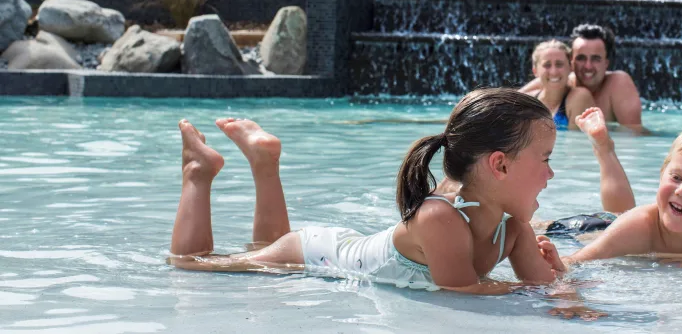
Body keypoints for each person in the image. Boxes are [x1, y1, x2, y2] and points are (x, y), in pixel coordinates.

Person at [168, 88, 568, 296]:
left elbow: (543, 290)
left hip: (340, 247)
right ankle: (198, 173)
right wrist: (538, 290)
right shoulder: (440, 218)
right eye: (545, 159)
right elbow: (464, 292)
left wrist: (560, 277)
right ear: (499, 165)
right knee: (194, 266)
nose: (551, 173)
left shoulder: (512, 226)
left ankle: (264, 162)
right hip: (317, 253)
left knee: (264, 247)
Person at [536, 107, 682, 270]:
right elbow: (575, 262)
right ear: (662, 173)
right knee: (538, 226)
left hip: (622, 222)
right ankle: (604, 148)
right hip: (588, 229)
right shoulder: (635, 228)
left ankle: (605, 148)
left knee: (622, 212)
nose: (681, 191)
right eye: (676, 177)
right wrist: (558, 264)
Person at [521, 25, 645, 134]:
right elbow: (516, 96)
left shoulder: (617, 83)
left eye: (595, 59)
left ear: (606, 63)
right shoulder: (561, 80)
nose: (588, 66)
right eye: (581, 58)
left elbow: (633, 136)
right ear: (571, 63)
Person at [521, 40, 593, 130]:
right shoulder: (526, 102)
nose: (554, 72)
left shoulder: (579, 97)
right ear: (535, 70)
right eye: (547, 65)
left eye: (559, 64)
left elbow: (576, 142)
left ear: (571, 67)